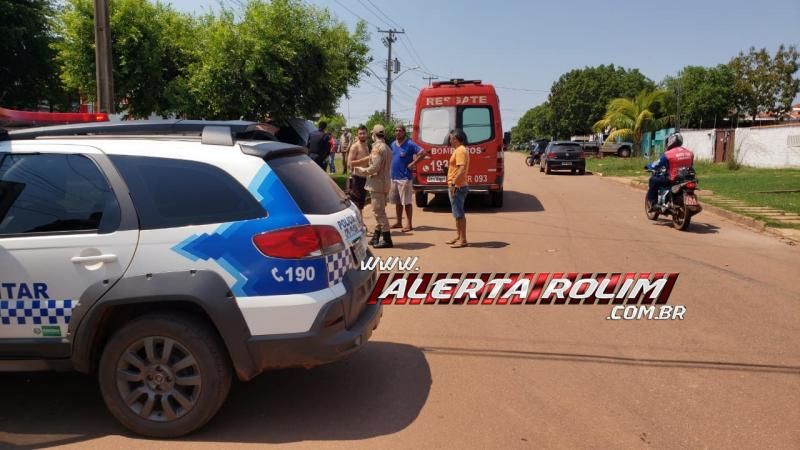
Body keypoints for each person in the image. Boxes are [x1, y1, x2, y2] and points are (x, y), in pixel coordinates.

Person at [353, 124, 393, 248]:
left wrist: (362, 171)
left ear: (374, 135)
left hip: (377, 184)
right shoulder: (387, 147)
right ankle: (376, 237)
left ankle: (387, 239)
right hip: (385, 182)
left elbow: (375, 167)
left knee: (378, 212)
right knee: (379, 210)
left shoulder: (377, 148)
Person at [389, 123, 429, 232]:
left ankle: (409, 224)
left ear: (404, 132)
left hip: (405, 178)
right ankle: (398, 222)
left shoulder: (410, 144)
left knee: (406, 202)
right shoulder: (392, 144)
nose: (397, 132)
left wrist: (414, 163)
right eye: (396, 130)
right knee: (397, 202)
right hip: (394, 177)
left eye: (399, 130)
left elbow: (423, 153)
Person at [646, 132, 694, 211]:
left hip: (674, 178)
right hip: (688, 178)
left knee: (653, 180)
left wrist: (649, 166)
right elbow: (691, 165)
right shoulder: (689, 152)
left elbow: (656, 164)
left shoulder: (668, 154)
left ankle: (652, 203)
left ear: (671, 141)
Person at [445, 129, 470, 248]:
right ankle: (459, 236)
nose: (449, 140)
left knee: (459, 214)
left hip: (458, 186)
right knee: (456, 213)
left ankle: (463, 240)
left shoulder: (460, 150)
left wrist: (454, 183)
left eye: (451, 138)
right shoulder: (458, 150)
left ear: (455, 139)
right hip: (456, 185)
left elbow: (461, 169)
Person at [347, 126, 370, 211]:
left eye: (364, 133)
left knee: (361, 202)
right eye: (360, 133)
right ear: (357, 134)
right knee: (356, 202)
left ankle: (361, 222)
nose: (362, 135)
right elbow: (349, 163)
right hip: (356, 177)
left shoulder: (367, 145)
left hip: (365, 177)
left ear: (367, 134)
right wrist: (365, 159)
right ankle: (359, 222)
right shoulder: (355, 146)